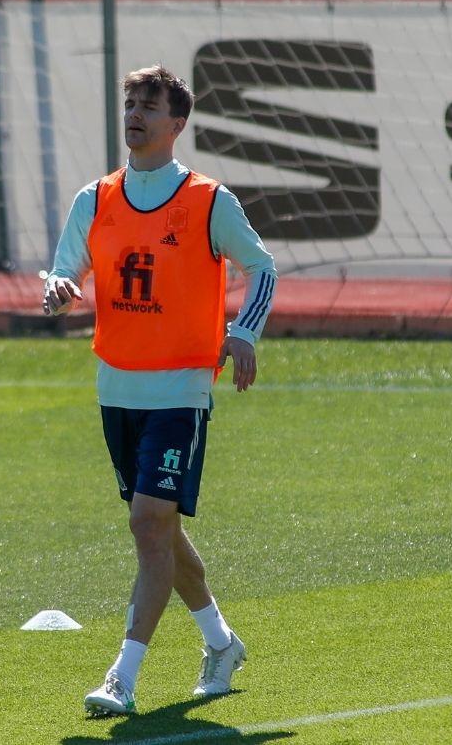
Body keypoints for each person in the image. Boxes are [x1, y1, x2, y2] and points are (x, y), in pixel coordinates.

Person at [41, 65, 277, 717]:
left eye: (149, 105)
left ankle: (123, 676)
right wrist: (59, 292)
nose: (135, 115)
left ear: (178, 123)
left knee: (148, 523)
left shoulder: (207, 201)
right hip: (116, 389)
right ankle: (221, 644)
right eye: (130, 104)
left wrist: (246, 332)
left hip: (179, 390)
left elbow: (262, 267)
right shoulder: (95, 198)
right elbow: (63, 274)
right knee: (160, 535)